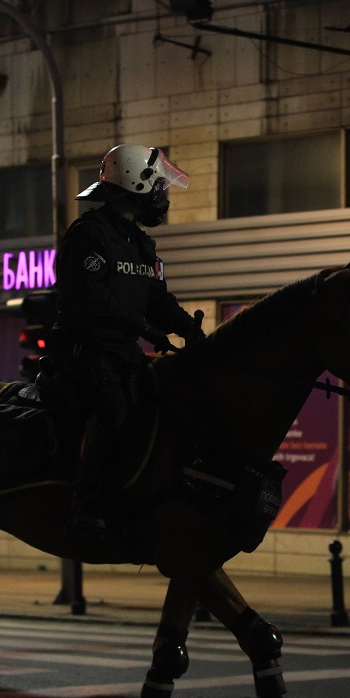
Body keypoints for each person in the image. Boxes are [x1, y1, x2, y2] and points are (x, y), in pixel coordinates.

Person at [53, 143, 206, 534]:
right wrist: (145, 329)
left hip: (124, 353)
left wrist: (187, 327)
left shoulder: (141, 244)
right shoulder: (89, 233)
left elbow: (157, 300)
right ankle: (85, 503)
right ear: (135, 183)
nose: (161, 195)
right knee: (116, 414)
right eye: (157, 186)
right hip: (86, 352)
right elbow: (90, 298)